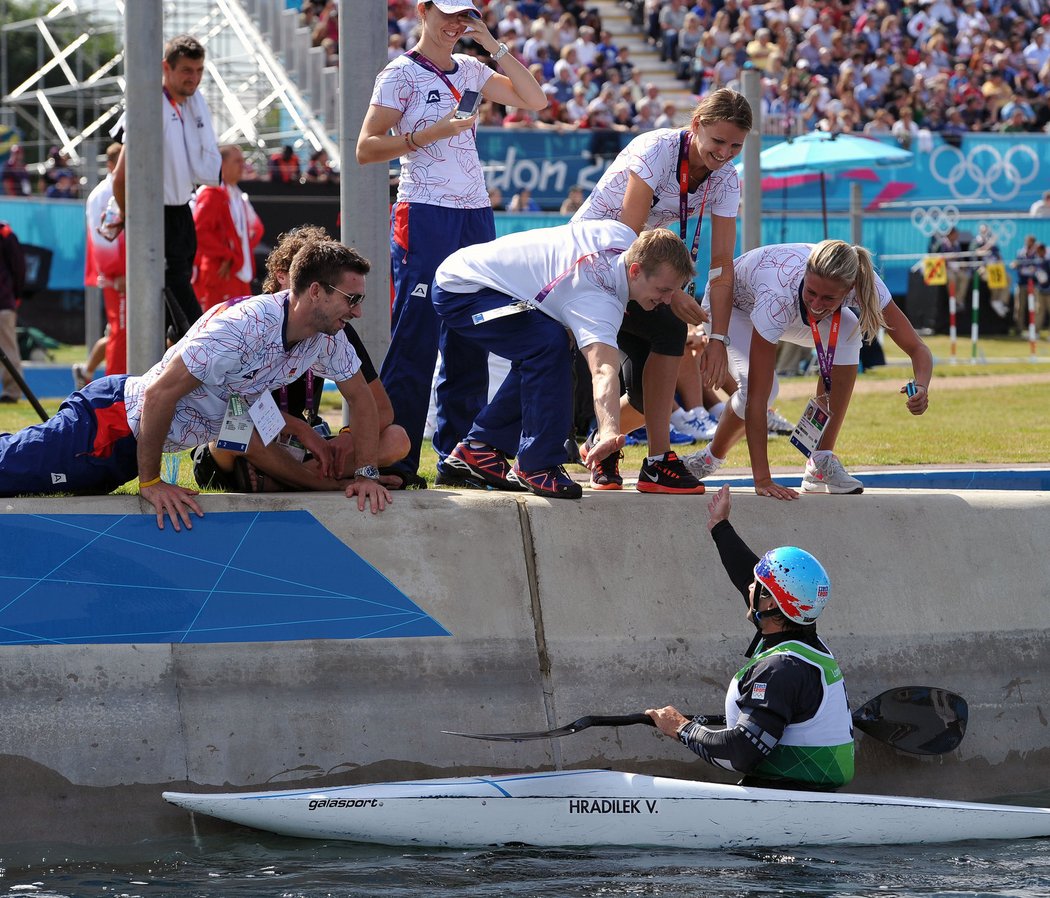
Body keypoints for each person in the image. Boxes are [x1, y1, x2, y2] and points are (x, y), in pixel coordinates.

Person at [0, 241, 392, 526]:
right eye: (351, 298)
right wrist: (152, 482)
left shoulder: (326, 337)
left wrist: (363, 475)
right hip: (109, 424)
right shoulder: (242, 328)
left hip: (129, 444)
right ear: (316, 291)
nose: (358, 310)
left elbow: (361, 399)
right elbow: (159, 394)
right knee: (9, 473)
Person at [356, 0, 546, 491]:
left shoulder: (470, 67)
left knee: (471, 333)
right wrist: (429, 135)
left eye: (465, 16)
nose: (454, 25)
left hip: (474, 212)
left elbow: (535, 100)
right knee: (416, 333)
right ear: (423, 11)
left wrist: (491, 45)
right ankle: (395, 458)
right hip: (423, 211)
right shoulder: (399, 74)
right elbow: (366, 147)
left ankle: (458, 455)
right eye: (447, 14)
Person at [572, 88, 752, 493]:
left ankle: (611, 445)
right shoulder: (658, 148)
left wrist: (718, 339)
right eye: (718, 141)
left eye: (736, 145)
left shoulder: (725, 179)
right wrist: (673, 294)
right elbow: (627, 234)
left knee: (645, 397)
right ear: (696, 126)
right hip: (595, 263)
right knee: (668, 330)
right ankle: (650, 457)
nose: (724, 153)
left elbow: (722, 265)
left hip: (643, 274)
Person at [432, 223, 695, 499]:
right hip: (461, 289)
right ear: (635, 271)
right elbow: (604, 370)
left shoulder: (624, 236)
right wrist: (609, 432)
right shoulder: (598, 301)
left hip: (473, 273)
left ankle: (480, 449)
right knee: (548, 344)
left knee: (550, 343)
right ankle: (537, 464)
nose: (667, 301)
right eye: (664, 289)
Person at [682, 241, 933, 499]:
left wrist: (922, 386)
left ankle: (820, 463)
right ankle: (708, 459)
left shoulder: (866, 283)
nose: (816, 303)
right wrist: (763, 480)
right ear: (805, 275)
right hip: (729, 306)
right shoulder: (777, 296)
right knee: (764, 391)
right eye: (812, 292)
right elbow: (757, 397)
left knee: (848, 327)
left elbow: (917, 348)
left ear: (849, 289)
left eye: (829, 298)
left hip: (785, 305)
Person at [646, 484, 854, 792]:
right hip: (797, 792)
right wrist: (720, 527)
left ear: (770, 603)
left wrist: (681, 728)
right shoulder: (803, 640)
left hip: (792, 800)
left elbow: (740, 753)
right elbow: (752, 579)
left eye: (756, 586)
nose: (748, 588)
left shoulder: (780, 670)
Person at [191, 225, 410, 492]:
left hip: (299, 448)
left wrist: (348, 439)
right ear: (285, 277)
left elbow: (377, 407)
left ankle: (282, 481)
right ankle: (320, 483)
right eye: (299, 276)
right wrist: (299, 428)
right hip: (246, 439)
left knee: (397, 439)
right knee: (235, 434)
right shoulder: (250, 322)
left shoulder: (334, 329)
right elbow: (224, 406)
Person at [111, 34, 222, 340]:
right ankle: (202, 353)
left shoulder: (191, 105)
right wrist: (128, 217)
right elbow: (121, 177)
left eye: (199, 70)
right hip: (155, 217)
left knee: (168, 320)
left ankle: (168, 373)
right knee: (191, 325)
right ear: (166, 68)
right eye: (187, 70)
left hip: (180, 211)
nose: (194, 78)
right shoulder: (150, 106)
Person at [191, 145, 264, 312]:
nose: (242, 166)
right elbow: (199, 231)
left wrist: (237, 253)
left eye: (243, 161)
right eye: (237, 161)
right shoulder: (211, 193)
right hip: (221, 274)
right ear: (221, 164)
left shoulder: (236, 194)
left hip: (237, 273)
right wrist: (228, 254)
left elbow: (257, 230)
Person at [79, 142, 128, 383]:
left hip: (128, 275)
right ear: (111, 165)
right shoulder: (103, 194)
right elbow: (102, 238)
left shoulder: (120, 188)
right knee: (120, 332)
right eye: (121, 161)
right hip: (119, 278)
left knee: (121, 332)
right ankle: (114, 391)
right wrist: (116, 274)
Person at [0, 219, 26, 404]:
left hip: (3, 302)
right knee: (8, 347)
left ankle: (12, 392)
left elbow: (19, 268)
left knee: (8, 348)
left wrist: (14, 296)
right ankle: (11, 392)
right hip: (5, 300)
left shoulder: (5, 234)